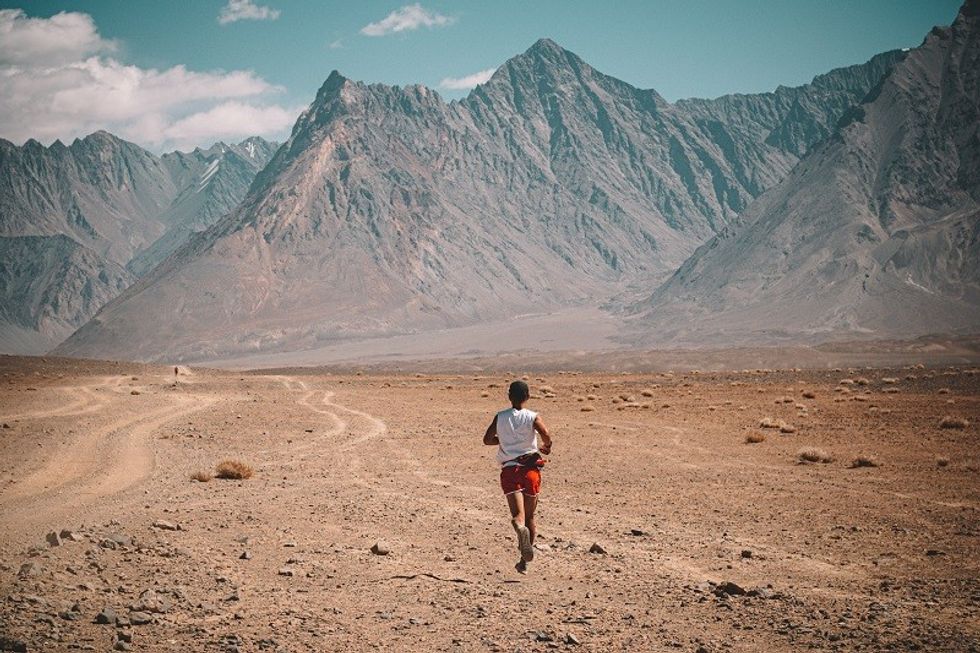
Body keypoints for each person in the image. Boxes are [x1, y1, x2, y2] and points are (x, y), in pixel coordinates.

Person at [483, 380, 552, 574]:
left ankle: (517, 525)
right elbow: (545, 434)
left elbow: (487, 439)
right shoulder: (532, 416)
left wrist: (503, 441)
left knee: (518, 515)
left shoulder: (501, 417)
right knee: (531, 516)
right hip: (530, 471)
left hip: (510, 471)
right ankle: (524, 561)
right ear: (527, 396)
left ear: (509, 396)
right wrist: (547, 445)